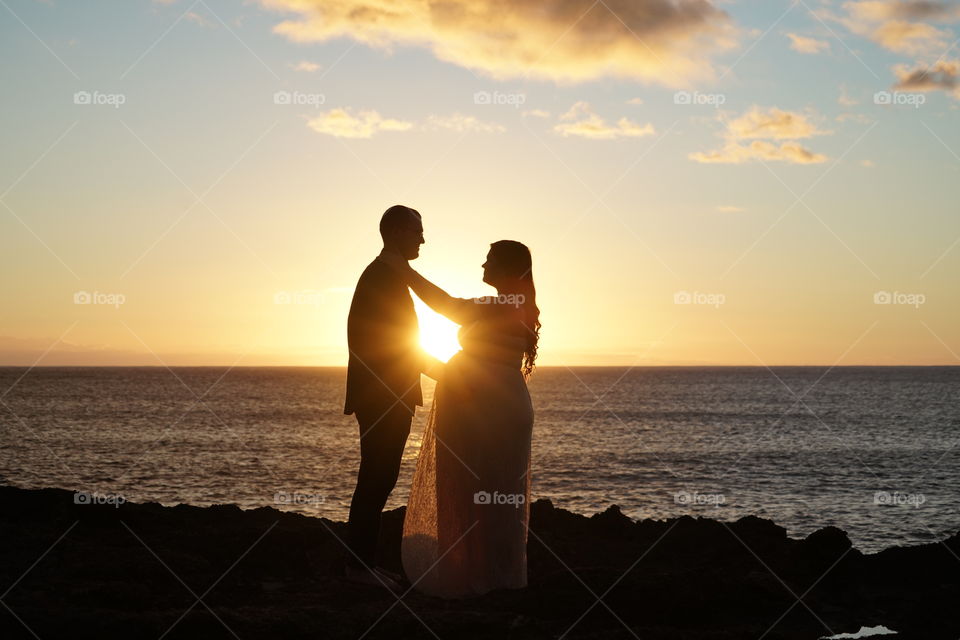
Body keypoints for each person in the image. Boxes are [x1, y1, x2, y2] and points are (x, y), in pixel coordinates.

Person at [381, 240, 539, 598]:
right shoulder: (512, 305)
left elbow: (450, 307)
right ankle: (484, 574)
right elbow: (484, 364)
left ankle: (484, 578)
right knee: (483, 493)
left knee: (485, 493)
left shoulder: (508, 304)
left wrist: (403, 271)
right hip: (492, 405)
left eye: (490, 259)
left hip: (493, 410)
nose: (483, 264)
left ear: (508, 268)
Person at [343, 204, 439, 592]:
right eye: (417, 231)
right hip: (382, 395)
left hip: (386, 393)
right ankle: (357, 569)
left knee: (380, 477)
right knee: (375, 478)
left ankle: (362, 564)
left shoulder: (388, 275)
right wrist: (451, 373)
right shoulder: (383, 276)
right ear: (397, 232)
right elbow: (394, 343)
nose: (422, 239)